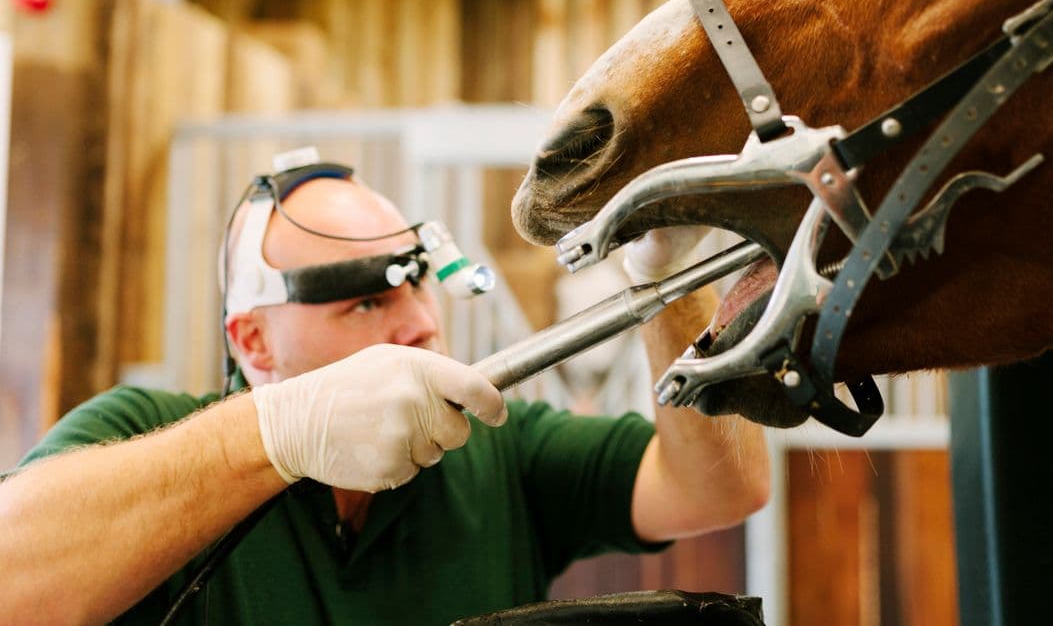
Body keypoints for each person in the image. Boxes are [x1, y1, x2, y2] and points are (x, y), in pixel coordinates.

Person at [0, 153, 769, 625]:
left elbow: (719, 489)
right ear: (254, 341)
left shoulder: (499, 450)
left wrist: (669, 290)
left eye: (420, 286)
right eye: (365, 301)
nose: (421, 327)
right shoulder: (144, 431)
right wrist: (278, 434)